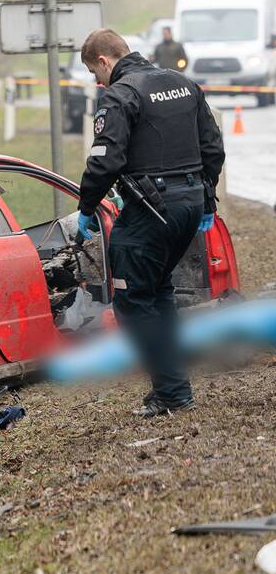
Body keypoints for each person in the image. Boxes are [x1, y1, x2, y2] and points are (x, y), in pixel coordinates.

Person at [75, 29, 224, 418]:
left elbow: (105, 160)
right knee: (159, 292)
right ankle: (176, 388)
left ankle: (172, 393)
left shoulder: (121, 95)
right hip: (190, 204)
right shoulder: (183, 84)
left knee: (132, 301)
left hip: (152, 210)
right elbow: (213, 148)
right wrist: (206, 199)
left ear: (105, 61)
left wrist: (87, 206)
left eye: (95, 71)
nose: (96, 81)